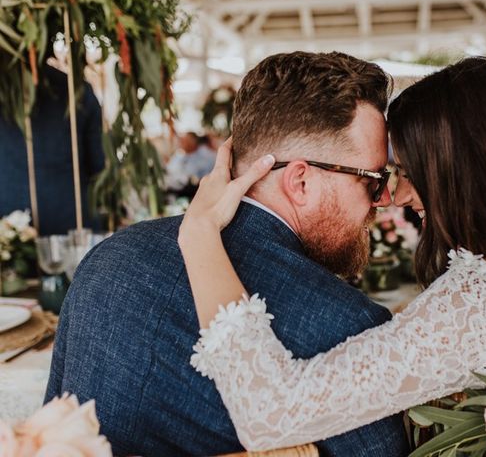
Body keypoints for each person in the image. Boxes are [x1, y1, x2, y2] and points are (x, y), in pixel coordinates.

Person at [178, 56, 486, 451]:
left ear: (460, 172)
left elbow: (271, 415)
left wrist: (199, 235)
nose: (394, 197)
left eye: (406, 172)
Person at [45, 51, 409, 456]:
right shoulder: (348, 325)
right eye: (373, 180)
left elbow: (49, 431)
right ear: (300, 182)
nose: (381, 201)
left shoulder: (105, 260)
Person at [0, 64, 104, 235]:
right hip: (73, 227)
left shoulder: (76, 90)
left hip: (11, 235)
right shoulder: (76, 89)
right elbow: (98, 165)